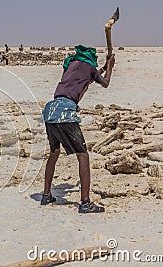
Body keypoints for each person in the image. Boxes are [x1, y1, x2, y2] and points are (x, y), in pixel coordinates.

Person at [41, 45, 115, 213]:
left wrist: (104, 66)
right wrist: (109, 68)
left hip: (50, 110)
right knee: (83, 155)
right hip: (66, 112)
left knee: (54, 153)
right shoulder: (89, 67)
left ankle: (46, 195)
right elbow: (104, 83)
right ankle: (85, 202)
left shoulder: (71, 66)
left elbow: (88, 77)